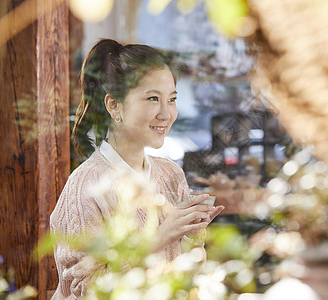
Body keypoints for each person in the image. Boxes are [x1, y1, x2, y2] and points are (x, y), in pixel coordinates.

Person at [50, 39, 224, 299]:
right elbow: (84, 290)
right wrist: (158, 239)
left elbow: (186, 278)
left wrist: (191, 235)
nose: (166, 113)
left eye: (172, 99)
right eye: (153, 98)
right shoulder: (85, 186)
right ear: (113, 106)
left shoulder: (171, 175)